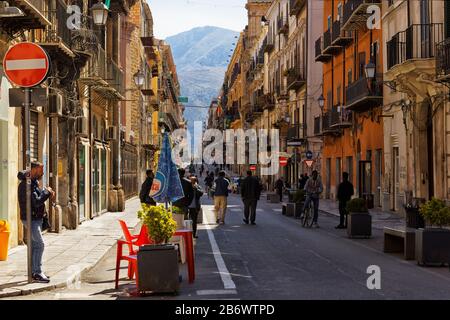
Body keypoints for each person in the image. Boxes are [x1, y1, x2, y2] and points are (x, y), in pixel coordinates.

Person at [18, 162, 55, 283]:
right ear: (34, 170)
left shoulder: (33, 182)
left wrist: (45, 191)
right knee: (40, 244)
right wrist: (47, 192)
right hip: (31, 219)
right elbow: (36, 202)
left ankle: (34, 272)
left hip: (35, 218)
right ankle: (37, 272)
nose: (42, 172)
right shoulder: (27, 184)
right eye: (41, 170)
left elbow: (36, 198)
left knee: (35, 245)